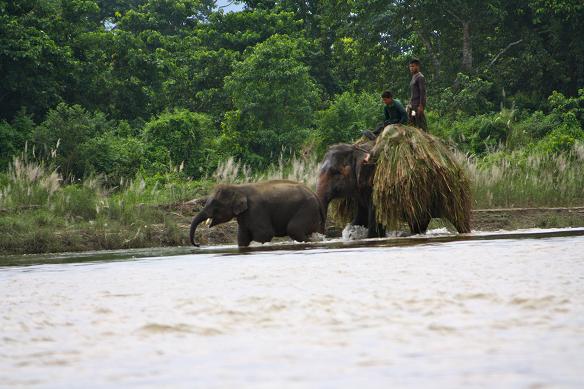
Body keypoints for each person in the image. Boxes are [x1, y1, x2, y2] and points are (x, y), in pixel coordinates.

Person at [407, 59, 428, 132]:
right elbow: (413, 93)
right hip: (413, 106)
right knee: (413, 121)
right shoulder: (414, 77)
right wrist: (409, 103)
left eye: (413, 66)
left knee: (421, 123)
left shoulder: (420, 77)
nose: (411, 68)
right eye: (410, 66)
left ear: (417, 66)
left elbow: (423, 92)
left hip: (418, 106)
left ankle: (428, 139)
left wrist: (421, 106)